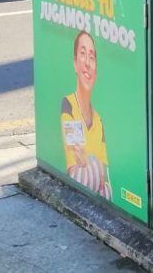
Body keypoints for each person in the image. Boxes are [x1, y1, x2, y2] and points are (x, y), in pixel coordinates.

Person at [61, 30, 112, 200]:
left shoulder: (99, 120)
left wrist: (93, 167)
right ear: (75, 63)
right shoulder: (68, 105)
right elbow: (76, 171)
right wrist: (93, 167)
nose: (88, 63)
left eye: (92, 57)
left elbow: (104, 179)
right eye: (83, 54)